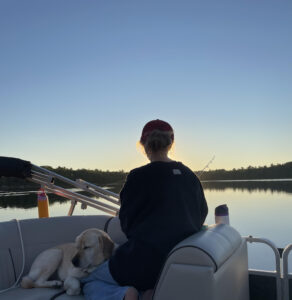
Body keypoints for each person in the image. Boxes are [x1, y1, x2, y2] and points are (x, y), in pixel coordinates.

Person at [82, 119, 208, 300]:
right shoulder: (190, 175)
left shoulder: (137, 177)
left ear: (143, 144)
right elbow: (201, 215)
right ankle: (147, 293)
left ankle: (127, 294)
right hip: (175, 263)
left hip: (142, 263)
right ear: (171, 143)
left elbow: (127, 224)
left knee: (88, 281)